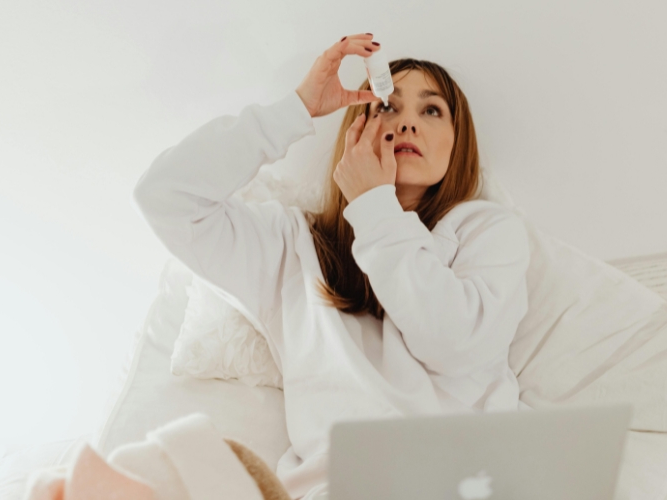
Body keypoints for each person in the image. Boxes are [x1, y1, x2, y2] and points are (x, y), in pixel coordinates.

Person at [132, 33, 530, 500]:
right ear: (356, 130)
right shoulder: (293, 245)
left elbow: (454, 344)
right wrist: (296, 109)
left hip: (465, 479)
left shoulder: (487, 231)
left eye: (431, 110)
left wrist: (376, 207)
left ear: (458, 145)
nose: (406, 124)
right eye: (386, 106)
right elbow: (164, 197)